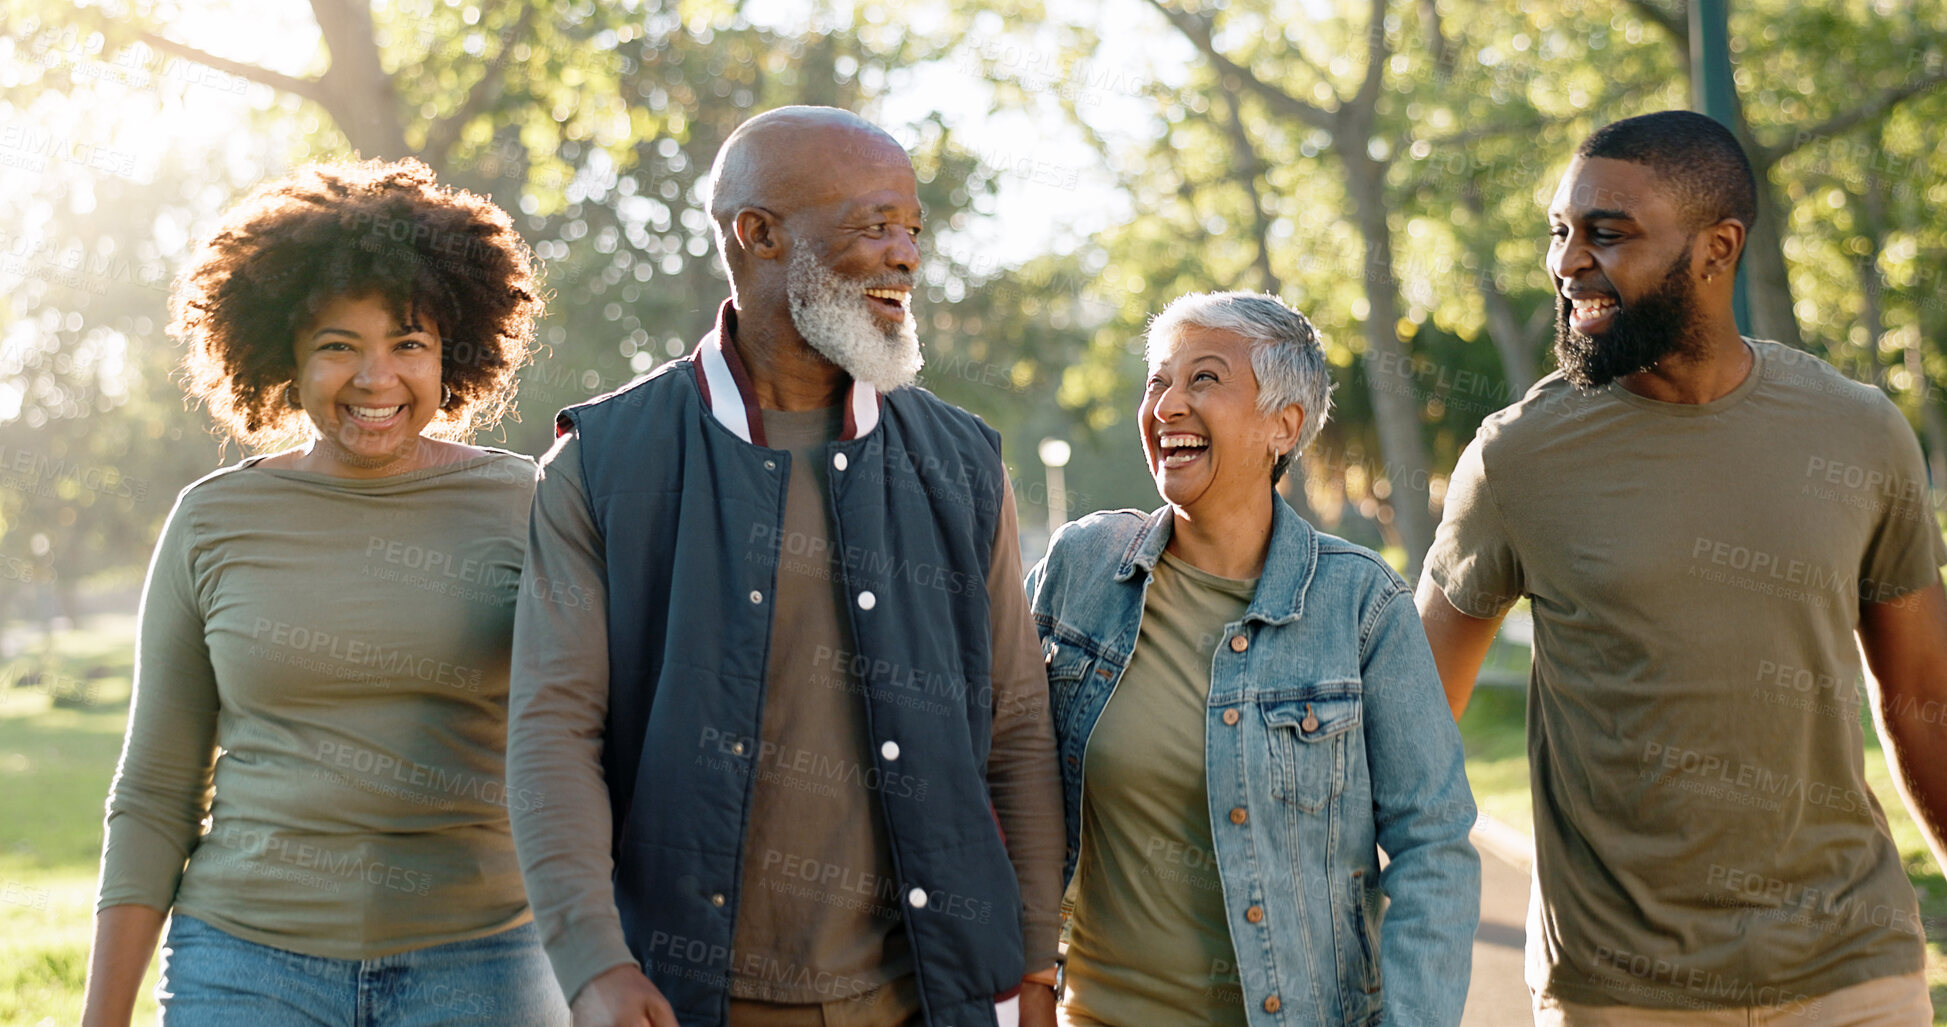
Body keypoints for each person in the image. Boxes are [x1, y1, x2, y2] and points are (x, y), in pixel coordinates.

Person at [505, 106, 1064, 1027]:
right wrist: (593, 962)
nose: (905, 257)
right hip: (688, 1000)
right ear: (758, 235)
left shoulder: (962, 463)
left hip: (931, 998)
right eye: (873, 225)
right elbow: (553, 731)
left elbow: (1016, 723)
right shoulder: (603, 462)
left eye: (911, 230)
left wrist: (1035, 965)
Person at [1418, 110, 1947, 1025]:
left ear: (1717, 249)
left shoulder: (1858, 432)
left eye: (1606, 234)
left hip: (1853, 972)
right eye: (1560, 231)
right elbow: (1414, 713)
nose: (1567, 261)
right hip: (1617, 995)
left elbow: (1924, 698)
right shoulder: (1516, 458)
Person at [81, 158, 563, 1027]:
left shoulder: (530, 504)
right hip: (244, 961)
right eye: (339, 345)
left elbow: (596, 747)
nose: (376, 380)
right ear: (283, 357)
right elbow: (155, 788)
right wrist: (102, 1017)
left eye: (407, 343)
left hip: (485, 956)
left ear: (452, 351)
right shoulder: (213, 520)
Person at [1026, 291, 1481, 1026]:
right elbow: (992, 764)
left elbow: (1433, 846)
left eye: (1203, 379)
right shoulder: (1079, 569)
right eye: (1157, 380)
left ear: (1283, 423)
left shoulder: (1359, 605)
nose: (1168, 404)